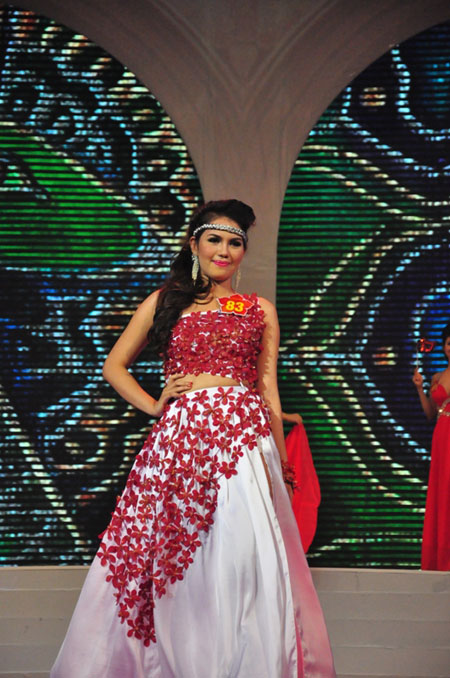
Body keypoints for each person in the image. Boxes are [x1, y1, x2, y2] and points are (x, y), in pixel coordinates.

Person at [51, 199, 336, 678]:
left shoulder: (259, 310)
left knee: (240, 556)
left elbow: (268, 390)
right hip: (180, 442)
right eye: (214, 239)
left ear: (243, 252)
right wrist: (154, 404)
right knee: (173, 554)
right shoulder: (165, 301)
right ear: (194, 245)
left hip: (244, 444)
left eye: (235, 243)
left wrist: (282, 466)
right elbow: (114, 365)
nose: (224, 250)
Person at [413, 323, 450, 571]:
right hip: (441, 436)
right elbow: (429, 413)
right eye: (449, 343)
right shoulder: (437, 377)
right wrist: (419, 387)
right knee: (441, 492)